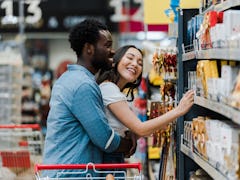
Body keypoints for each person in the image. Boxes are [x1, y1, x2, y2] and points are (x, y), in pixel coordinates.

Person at [42, 19, 136, 178]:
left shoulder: (68, 79)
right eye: (107, 46)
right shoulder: (82, 85)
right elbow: (105, 139)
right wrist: (129, 144)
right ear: (89, 49)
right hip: (70, 174)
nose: (112, 52)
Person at [96, 45, 194, 164]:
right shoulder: (109, 89)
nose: (135, 64)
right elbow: (141, 129)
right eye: (130, 58)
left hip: (113, 158)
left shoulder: (115, 90)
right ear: (116, 60)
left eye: (140, 63)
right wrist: (179, 110)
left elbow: (135, 130)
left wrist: (133, 133)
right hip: (108, 160)